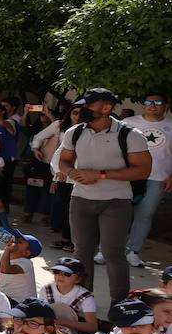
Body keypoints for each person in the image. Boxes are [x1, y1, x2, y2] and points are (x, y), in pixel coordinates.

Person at [58, 87, 151, 307]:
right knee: (81, 252)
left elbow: (143, 170)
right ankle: (82, 302)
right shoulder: (75, 132)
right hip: (81, 199)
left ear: (106, 108)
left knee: (112, 252)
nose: (82, 109)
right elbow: (64, 161)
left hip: (116, 202)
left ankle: (120, 304)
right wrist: (72, 173)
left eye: (89, 106)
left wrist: (99, 174)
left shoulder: (130, 135)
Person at [125, 89, 172, 268]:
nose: (153, 106)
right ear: (143, 105)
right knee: (118, 214)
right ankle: (106, 250)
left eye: (158, 103)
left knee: (145, 215)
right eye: (149, 102)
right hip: (129, 175)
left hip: (158, 177)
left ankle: (133, 251)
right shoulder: (128, 123)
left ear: (165, 106)